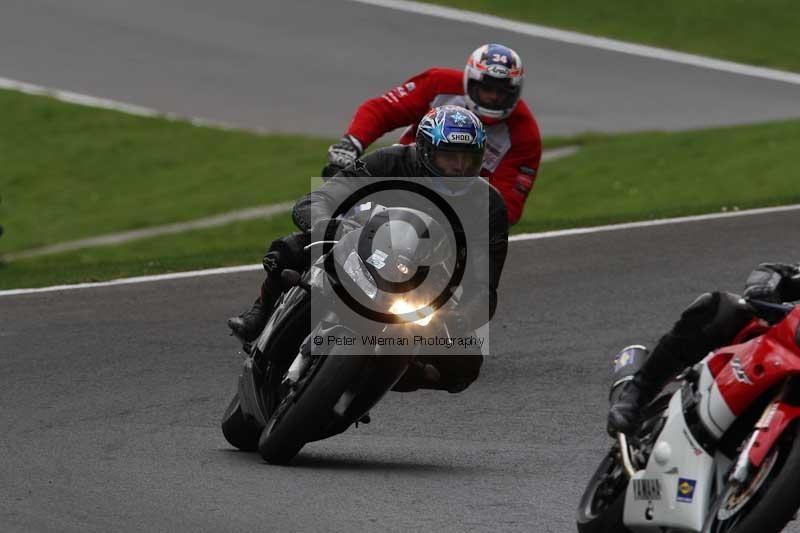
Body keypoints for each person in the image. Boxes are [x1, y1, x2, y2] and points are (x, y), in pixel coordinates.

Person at [228, 105, 509, 392]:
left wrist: (459, 319)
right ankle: (260, 313)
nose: (459, 168)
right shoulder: (390, 161)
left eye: (468, 159)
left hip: (426, 284)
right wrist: (325, 223)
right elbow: (321, 197)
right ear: (425, 151)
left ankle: (374, 379)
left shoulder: (488, 205)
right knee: (289, 249)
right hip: (362, 247)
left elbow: (484, 288)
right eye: (450, 157)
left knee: (465, 365)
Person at [324, 43, 541, 226]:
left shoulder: (526, 136)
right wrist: (352, 142)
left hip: (457, 210)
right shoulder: (438, 83)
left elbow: (507, 206)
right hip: (402, 177)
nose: (493, 97)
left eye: (501, 91)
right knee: (334, 218)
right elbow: (383, 110)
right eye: (488, 88)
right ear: (471, 82)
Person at [607, 262, 800, 435]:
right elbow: (775, 272)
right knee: (723, 308)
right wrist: (763, 285)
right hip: (775, 354)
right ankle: (636, 396)